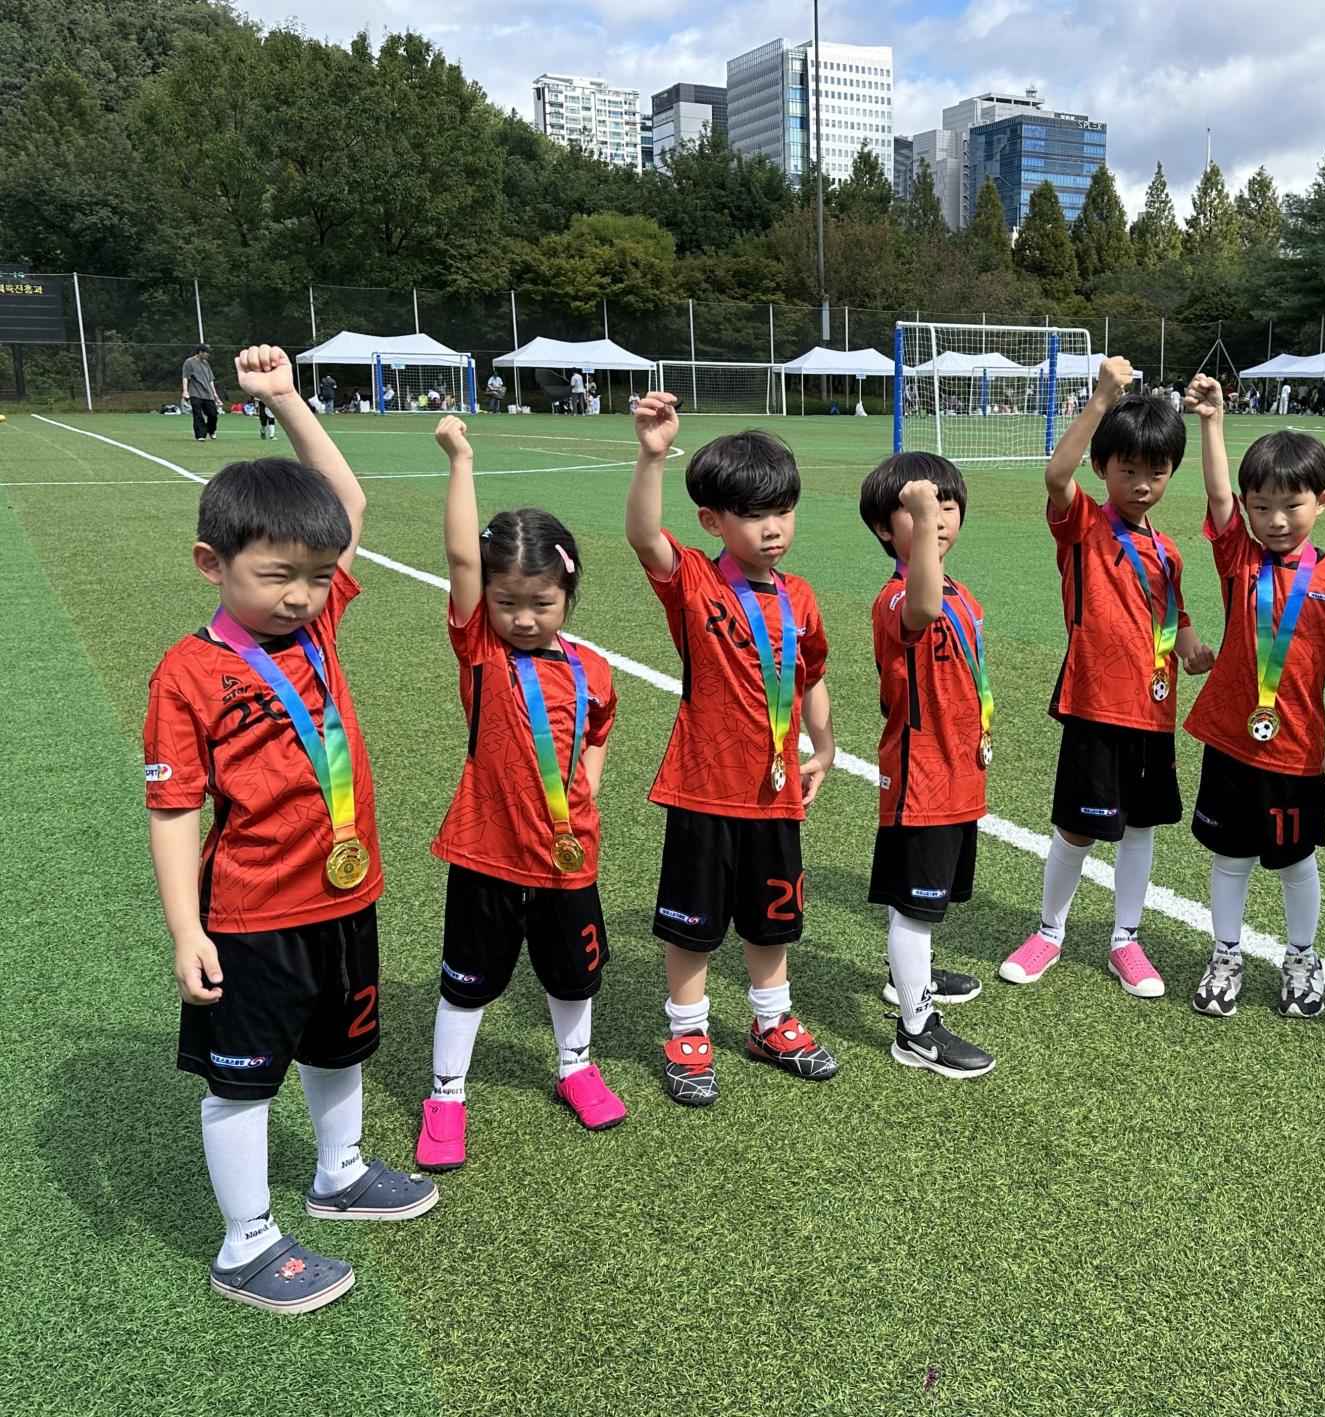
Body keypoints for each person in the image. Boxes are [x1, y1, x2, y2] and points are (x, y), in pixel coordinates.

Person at [144, 344, 437, 1316]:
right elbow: (175, 808)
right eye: (277, 576)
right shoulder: (189, 673)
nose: (303, 594)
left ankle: (339, 1172)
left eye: (316, 575)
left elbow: (347, 502)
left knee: (340, 1046)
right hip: (253, 914)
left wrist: (285, 398)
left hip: (344, 893)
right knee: (242, 1081)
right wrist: (187, 928)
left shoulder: (318, 624)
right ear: (212, 564)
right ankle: (245, 1242)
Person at [415, 415, 624, 1173]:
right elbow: (459, 558)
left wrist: (586, 789)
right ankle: (446, 1095)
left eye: (542, 602)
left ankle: (576, 1067)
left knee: (574, 974)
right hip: (487, 850)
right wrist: (460, 461)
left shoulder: (592, 668)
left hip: (568, 856)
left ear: (568, 593)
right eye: (507, 602)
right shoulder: (479, 648)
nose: (524, 617)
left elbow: (598, 730)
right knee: (467, 983)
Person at [624, 399, 838, 1107]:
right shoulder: (694, 580)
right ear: (712, 521)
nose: (773, 527)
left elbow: (810, 675)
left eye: (783, 510)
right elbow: (643, 535)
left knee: (771, 916)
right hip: (702, 788)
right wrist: (652, 454)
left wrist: (824, 745)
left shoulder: (802, 597)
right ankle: (688, 1033)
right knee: (693, 926)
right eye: (752, 515)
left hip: (774, 792)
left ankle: (771, 1024)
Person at [999, 354, 1212, 998]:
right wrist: (1101, 398)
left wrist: (1189, 644)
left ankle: (1126, 940)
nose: (1142, 484)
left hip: (1154, 708)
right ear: (1103, 468)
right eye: (1128, 470)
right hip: (1095, 703)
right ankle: (1049, 931)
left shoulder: (1168, 550)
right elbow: (1055, 475)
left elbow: (1171, 612)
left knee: (1140, 828)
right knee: (1078, 825)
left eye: (1156, 472)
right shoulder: (1084, 526)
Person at [1181, 375, 1325, 1020]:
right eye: (1261, 507)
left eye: (1292, 506)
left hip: (1297, 748)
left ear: (1322, 501)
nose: (1276, 521)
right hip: (1232, 738)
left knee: (1294, 860)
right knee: (1230, 856)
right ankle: (1225, 954)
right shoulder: (1240, 556)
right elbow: (1216, 495)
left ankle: (1301, 957)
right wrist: (1211, 421)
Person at [857, 455, 995, 1078]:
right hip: (922, 776)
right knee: (916, 905)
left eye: (945, 507)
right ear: (885, 530)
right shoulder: (899, 597)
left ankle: (906, 975)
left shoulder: (960, 592)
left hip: (958, 770)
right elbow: (924, 605)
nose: (934, 519)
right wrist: (921, 532)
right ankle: (914, 1030)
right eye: (915, 512)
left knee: (923, 897)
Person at [182, 342, 220, 441]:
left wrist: (215, 393)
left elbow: (210, 380)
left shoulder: (206, 363)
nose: (208, 355)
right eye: (207, 352)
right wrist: (185, 391)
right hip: (195, 393)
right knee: (198, 414)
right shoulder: (189, 362)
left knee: (213, 414)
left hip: (208, 394)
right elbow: (185, 377)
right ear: (200, 352)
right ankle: (200, 435)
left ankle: (211, 430)